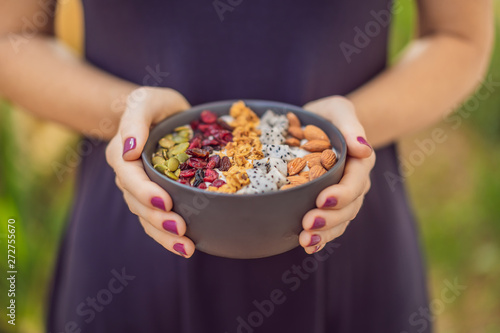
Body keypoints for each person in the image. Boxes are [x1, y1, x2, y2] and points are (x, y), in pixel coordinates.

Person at [0, 0, 493, 332]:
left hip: (345, 217)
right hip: (137, 224)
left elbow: (459, 35)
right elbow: (11, 39)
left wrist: (351, 129)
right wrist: (126, 114)